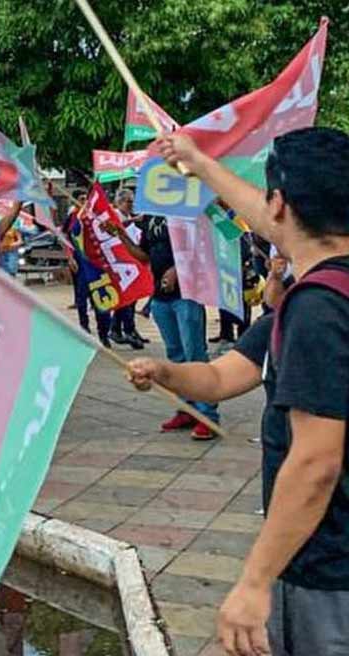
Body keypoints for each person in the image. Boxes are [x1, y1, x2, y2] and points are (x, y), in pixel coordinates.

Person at [129, 127, 349, 656]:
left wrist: (254, 582)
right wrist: (165, 371)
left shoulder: (318, 310)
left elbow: (316, 461)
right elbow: (223, 377)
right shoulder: (315, 296)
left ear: (280, 204)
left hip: (329, 568)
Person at [110, 201, 220, 439]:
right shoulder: (151, 217)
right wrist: (121, 235)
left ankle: (207, 415)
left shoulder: (187, 213)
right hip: (160, 297)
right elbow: (144, 255)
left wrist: (177, 271)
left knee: (195, 355)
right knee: (175, 356)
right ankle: (186, 408)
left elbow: (200, 249)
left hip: (187, 295)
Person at [64, 191, 113, 347]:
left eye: (87, 199)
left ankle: (104, 333)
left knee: (102, 299)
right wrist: (70, 257)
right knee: (81, 298)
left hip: (99, 265)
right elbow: (65, 237)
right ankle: (84, 328)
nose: (85, 202)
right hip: (81, 264)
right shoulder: (73, 217)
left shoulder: (99, 217)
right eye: (81, 199)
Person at [108, 188, 146, 349]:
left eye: (132, 202)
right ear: (119, 202)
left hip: (133, 261)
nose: (131, 205)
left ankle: (118, 328)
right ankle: (127, 329)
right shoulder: (115, 215)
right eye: (128, 201)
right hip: (120, 263)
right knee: (127, 298)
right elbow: (113, 229)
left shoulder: (129, 217)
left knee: (131, 298)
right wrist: (134, 220)